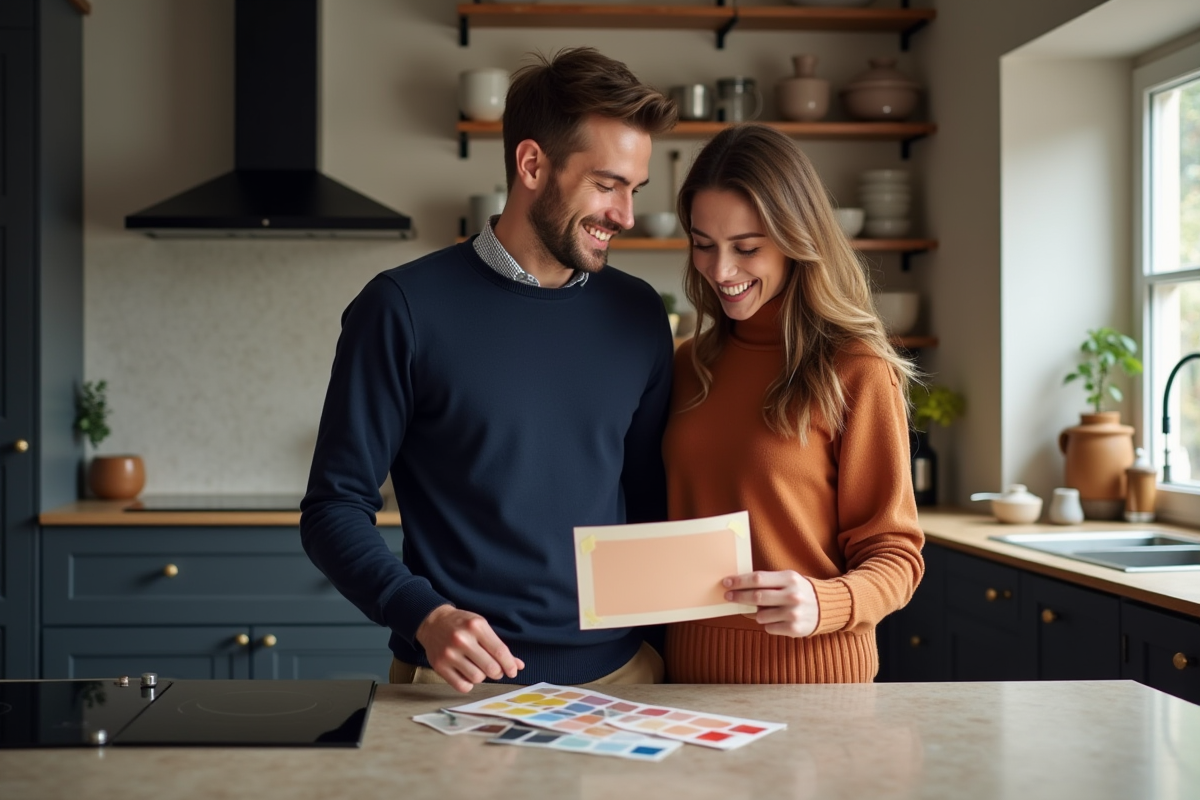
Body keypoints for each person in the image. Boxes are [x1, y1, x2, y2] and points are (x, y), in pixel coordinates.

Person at [300, 48, 678, 692]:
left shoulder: (639, 312)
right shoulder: (402, 309)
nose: (625, 215)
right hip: (461, 686)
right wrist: (424, 615)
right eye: (607, 184)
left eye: (634, 190)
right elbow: (334, 507)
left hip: (627, 679)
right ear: (532, 164)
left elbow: (648, 500)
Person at [662, 124, 925, 683]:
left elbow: (897, 557)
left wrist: (825, 602)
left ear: (796, 238)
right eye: (704, 244)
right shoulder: (688, 365)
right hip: (689, 680)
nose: (721, 270)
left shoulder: (856, 369)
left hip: (816, 681)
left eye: (747, 248)